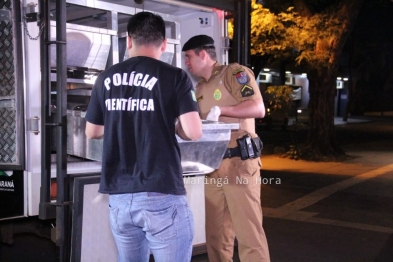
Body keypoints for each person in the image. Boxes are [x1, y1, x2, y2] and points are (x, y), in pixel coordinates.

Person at [85, 12, 202, 262]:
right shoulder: (175, 77)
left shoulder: (105, 78)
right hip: (161, 193)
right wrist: (168, 124)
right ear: (163, 44)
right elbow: (193, 132)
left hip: (119, 197)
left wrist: (121, 119)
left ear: (129, 41)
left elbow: (92, 131)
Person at [182, 35, 270, 262]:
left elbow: (258, 108)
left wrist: (222, 110)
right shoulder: (200, 87)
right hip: (213, 167)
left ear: (203, 54)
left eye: (189, 57)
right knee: (216, 237)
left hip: (239, 164)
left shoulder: (234, 73)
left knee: (249, 236)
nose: (186, 63)